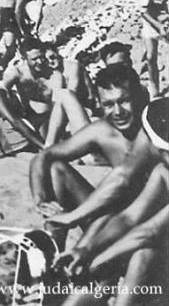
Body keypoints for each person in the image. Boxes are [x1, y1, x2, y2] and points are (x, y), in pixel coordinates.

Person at [29, 64, 162, 249]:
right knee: (56, 170)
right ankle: (52, 253)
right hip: (115, 221)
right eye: (108, 104)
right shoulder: (102, 131)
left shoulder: (155, 126)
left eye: (124, 100)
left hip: (156, 229)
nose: (117, 111)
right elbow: (44, 156)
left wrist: (71, 218)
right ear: (100, 103)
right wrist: (40, 198)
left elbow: (123, 179)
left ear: (139, 97)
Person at [52, 99, 169, 306]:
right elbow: (129, 217)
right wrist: (86, 250)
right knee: (113, 258)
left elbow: (148, 232)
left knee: (142, 255)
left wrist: (96, 260)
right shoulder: (162, 171)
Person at [2, 39, 89, 146]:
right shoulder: (17, 72)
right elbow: (1, 89)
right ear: (24, 59)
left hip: (51, 119)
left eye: (41, 57)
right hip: (29, 118)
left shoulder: (55, 76)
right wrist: (12, 105)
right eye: (34, 59)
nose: (39, 62)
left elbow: (57, 106)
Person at [140, 0, 169, 98]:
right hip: (152, 24)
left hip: (166, 22)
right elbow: (144, 12)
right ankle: (154, 89)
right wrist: (159, 26)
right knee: (151, 57)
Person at [45, 42, 96, 111]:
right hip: (73, 105)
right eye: (46, 61)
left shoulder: (72, 65)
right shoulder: (52, 72)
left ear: (57, 52)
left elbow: (72, 90)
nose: (51, 61)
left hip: (88, 103)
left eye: (52, 57)